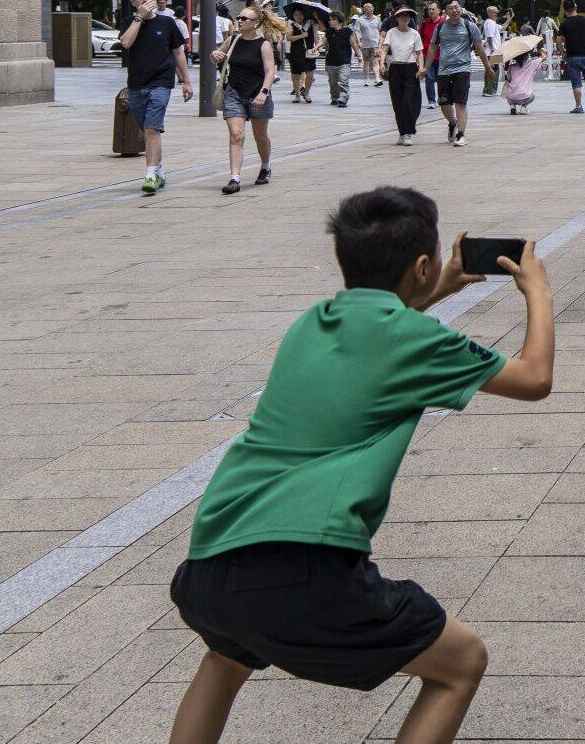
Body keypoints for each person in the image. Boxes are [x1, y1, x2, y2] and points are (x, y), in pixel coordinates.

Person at [167, 187, 553, 744]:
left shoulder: (312, 322)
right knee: (461, 663)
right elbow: (534, 378)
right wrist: (537, 292)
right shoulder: (416, 339)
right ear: (421, 265)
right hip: (304, 569)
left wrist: (433, 289)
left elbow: (378, 337)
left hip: (209, 566)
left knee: (226, 659)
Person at [118, 0, 194, 195]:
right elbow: (126, 43)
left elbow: (178, 53)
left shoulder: (168, 22)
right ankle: (159, 170)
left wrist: (186, 81)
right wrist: (139, 18)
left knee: (152, 128)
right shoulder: (128, 22)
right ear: (133, 2)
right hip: (136, 84)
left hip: (161, 81)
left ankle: (150, 173)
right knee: (147, 129)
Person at [212, 3, 283, 195]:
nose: (240, 21)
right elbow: (218, 56)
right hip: (234, 93)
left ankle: (266, 166)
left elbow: (270, 71)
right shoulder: (233, 40)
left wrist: (264, 92)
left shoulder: (264, 44)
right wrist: (214, 54)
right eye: (239, 18)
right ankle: (235, 178)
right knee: (236, 135)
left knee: (260, 136)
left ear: (256, 22)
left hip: (258, 94)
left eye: (244, 19)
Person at [426, 0, 491, 148]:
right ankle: (452, 122)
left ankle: (461, 134)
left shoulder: (470, 26)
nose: (454, 10)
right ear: (445, 12)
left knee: (460, 102)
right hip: (444, 70)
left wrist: (487, 67)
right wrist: (425, 67)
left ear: (460, 8)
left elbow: (479, 48)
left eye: (456, 7)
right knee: (443, 102)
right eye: (450, 8)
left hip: (462, 69)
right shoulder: (441, 26)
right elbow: (433, 47)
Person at [379, 7, 425, 145]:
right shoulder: (391, 32)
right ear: (397, 18)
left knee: (412, 101)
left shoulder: (414, 33)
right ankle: (403, 133)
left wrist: (421, 67)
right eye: (401, 16)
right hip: (395, 68)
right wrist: (382, 63)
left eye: (407, 16)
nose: (405, 18)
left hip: (411, 68)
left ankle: (409, 130)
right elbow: (385, 48)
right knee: (398, 102)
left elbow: (419, 52)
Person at [557, 0, 585, 115]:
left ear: (565, 10)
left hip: (572, 57)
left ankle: (578, 106)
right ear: (575, 7)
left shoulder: (564, 23)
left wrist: (563, 53)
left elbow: (558, 41)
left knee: (576, 84)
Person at [284, 6, 319, 103]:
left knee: (310, 73)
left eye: (300, 14)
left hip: (309, 51)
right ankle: (297, 95)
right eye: (296, 15)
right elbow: (289, 38)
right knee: (295, 74)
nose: (298, 17)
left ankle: (306, 92)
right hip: (295, 52)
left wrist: (317, 46)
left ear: (304, 14)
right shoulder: (291, 24)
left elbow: (316, 35)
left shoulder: (311, 23)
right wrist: (301, 36)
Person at [323, 11, 355, 108]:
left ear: (339, 20)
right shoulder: (329, 31)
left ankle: (343, 99)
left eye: (333, 19)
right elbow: (323, 41)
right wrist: (316, 48)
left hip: (344, 61)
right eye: (330, 20)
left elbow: (353, 43)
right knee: (332, 83)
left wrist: (359, 54)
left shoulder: (347, 31)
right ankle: (335, 97)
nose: (330, 21)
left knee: (343, 81)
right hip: (331, 61)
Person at [502, 39, 542, 114]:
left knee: (511, 91)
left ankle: (512, 106)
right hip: (525, 97)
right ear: (527, 55)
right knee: (532, 95)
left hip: (511, 97)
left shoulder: (511, 66)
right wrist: (540, 51)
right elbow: (544, 57)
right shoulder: (531, 64)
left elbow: (509, 79)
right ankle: (524, 107)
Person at [418, 1, 443, 109]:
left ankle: (442, 98)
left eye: (433, 9)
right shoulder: (424, 24)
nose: (431, 11)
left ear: (439, 10)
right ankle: (431, 100)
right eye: (429, 9)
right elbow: (419, 39)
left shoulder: (444, 23)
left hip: (442, 56)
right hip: (427, 55)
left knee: (442, 78)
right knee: (429, 77)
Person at [355, 4, 383, 87]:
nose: (370, 9)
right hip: (365, 45)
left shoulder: (377, 19)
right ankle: (366, 79)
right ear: (364, 10)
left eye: (371, 8)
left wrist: (380, 44)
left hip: (375, 44)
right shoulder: (360, 20)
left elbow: (381, 31)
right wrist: (359, 41)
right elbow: (357, 31)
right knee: (366, 62)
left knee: (375, 62)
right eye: (368, 8)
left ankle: (377, 79)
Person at [480, 6, 505, 98]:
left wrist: (509, 19)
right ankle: (490, 90)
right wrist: (492, 49)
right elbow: (489, 37)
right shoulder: (490, 23)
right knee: (493, 69)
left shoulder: (491, 22)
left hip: (493, 50)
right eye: (495, 12)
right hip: (492, 50)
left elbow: (502, 28)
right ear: (490, 13)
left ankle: (490, 89)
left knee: (493, 69)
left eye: (497, 12)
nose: (497, 14)